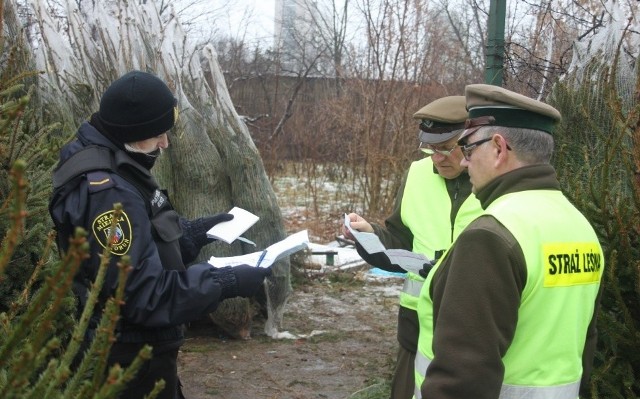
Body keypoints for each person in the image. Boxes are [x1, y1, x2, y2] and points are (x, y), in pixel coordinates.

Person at [49, 70, 271, 399]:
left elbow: (140, 243)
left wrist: (193, 233)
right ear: (132, 129)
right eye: (157, 134)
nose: (165, 143)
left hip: (140, 352)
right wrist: (224, 282)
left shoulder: (118, 159)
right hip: (125, 360)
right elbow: (143, 294)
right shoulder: (109, 195)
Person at [414, 84, 605, 399]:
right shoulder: (580, 227)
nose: (463, 162)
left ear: (499, 148)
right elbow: (583, 350)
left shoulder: (490, 237)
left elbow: (462, 379)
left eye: (469, 149)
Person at [342, 96, 483, 399]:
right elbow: (401, 243)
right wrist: (370, 236)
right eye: (430, 149)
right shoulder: (417, 175)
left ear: (471, 141)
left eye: (447, 147)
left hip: (475, 329)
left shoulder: (494, 181)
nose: (437, 158)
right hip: (415, 329)